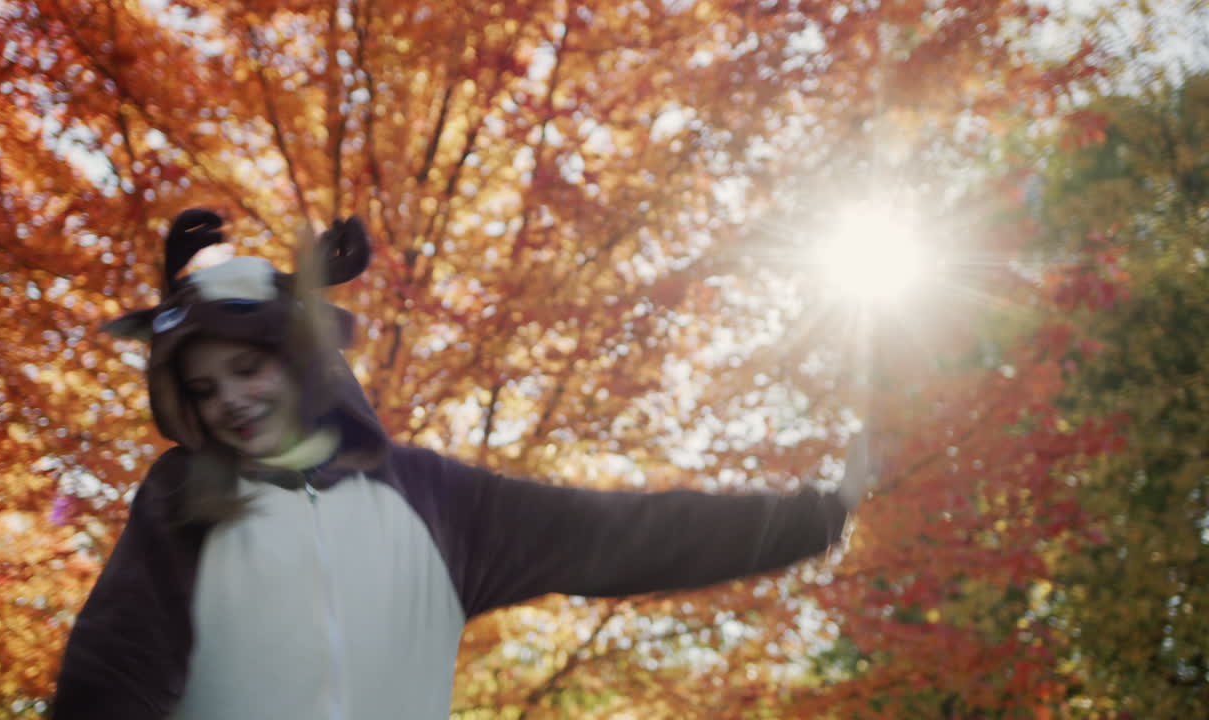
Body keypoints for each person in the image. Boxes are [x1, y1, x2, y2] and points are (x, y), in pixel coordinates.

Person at [50, 209, 880, 719]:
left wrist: (816, 516)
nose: (229, 400)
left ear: (297, 357)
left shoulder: (434, 502)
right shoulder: (180, 506)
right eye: (202, 389)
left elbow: (625, 534)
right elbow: (111, 674)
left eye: (246, 368)